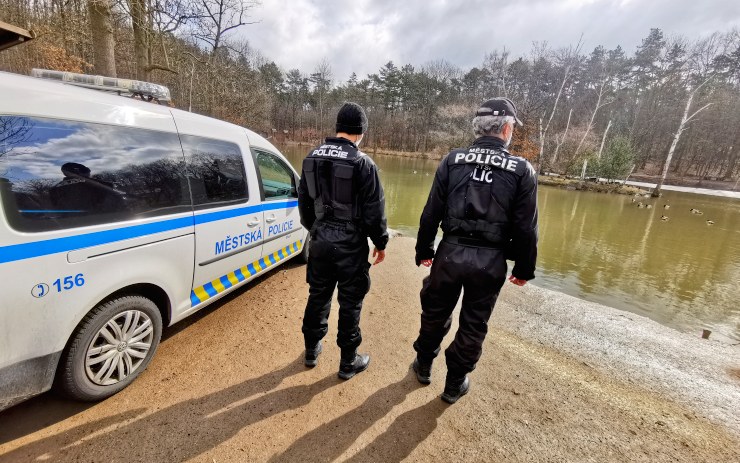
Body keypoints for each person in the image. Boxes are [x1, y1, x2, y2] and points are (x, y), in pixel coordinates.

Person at [412, 97, 538, 403]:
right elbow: (526, 227)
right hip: (491, 259)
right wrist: (524, 268)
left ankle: (424, 365)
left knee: (435, 309)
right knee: (474, 320)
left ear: (477, 127)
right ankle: (455, 383)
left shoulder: (452, 160)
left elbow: (431, 212)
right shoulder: (522, 170)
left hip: (450, 253)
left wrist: (424, 249)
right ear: (507, 128)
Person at [298, 102, 389, 380]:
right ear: (361, 131)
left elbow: (303, 201)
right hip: (351, 243)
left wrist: (315, 228)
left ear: (337, 127)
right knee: (350, 302)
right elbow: (375, 210)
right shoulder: (363, 162)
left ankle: (312, 350)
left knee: (318, 294)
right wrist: (380, 242)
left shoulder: (312, 156)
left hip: (321, 238)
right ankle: (348, 362)